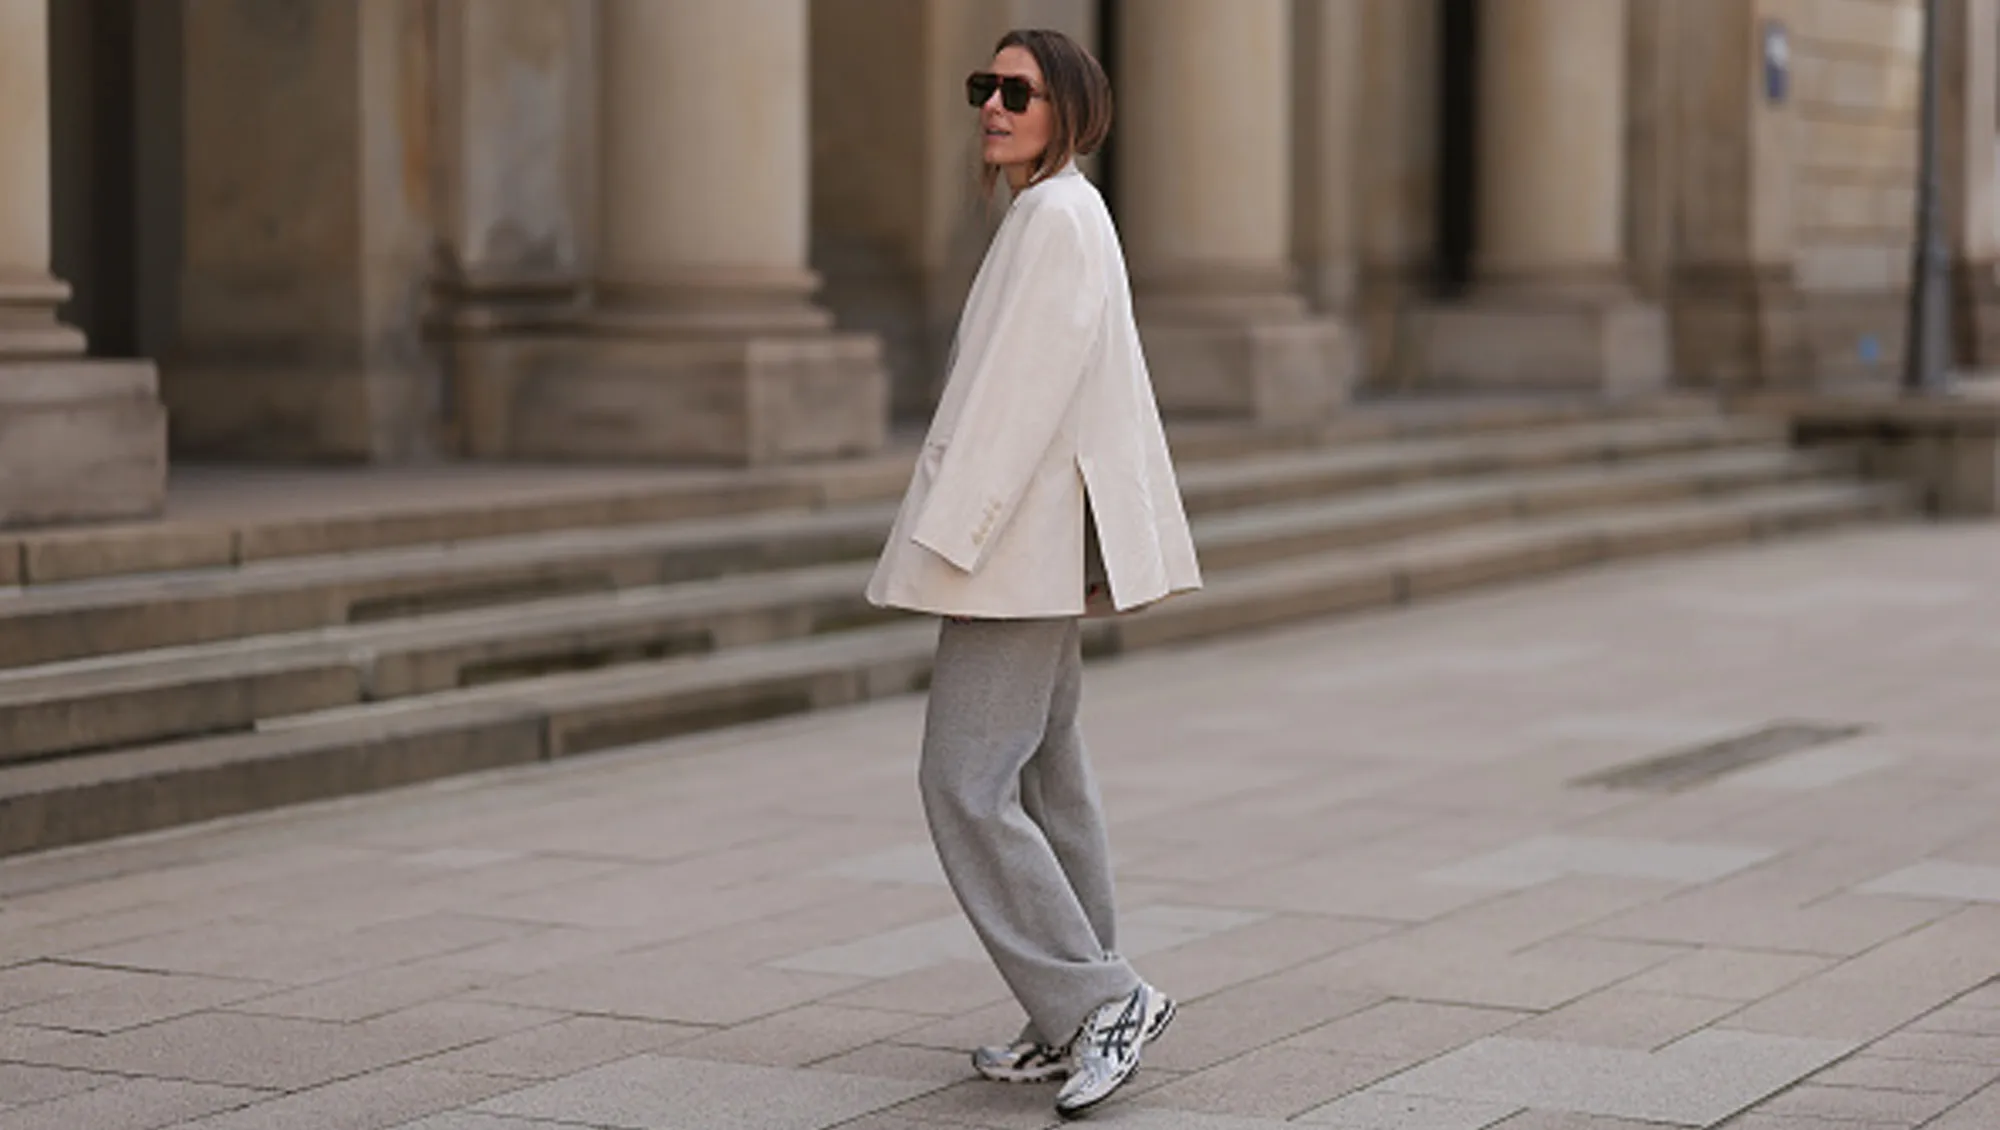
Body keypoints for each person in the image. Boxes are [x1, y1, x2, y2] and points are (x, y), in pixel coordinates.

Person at [864, 27, 1202, 1121]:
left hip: (1013, 548)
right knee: (1049, 773)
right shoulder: (1055, 213)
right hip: (1035, 540)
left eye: (1017, 90)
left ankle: (1100, 997)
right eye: (984, 87)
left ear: (1069, 107)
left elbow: (1016, 404)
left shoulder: (1054, 217)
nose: (993, 106)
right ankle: (1073, 1004)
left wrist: (948, 539)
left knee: (960, 779)